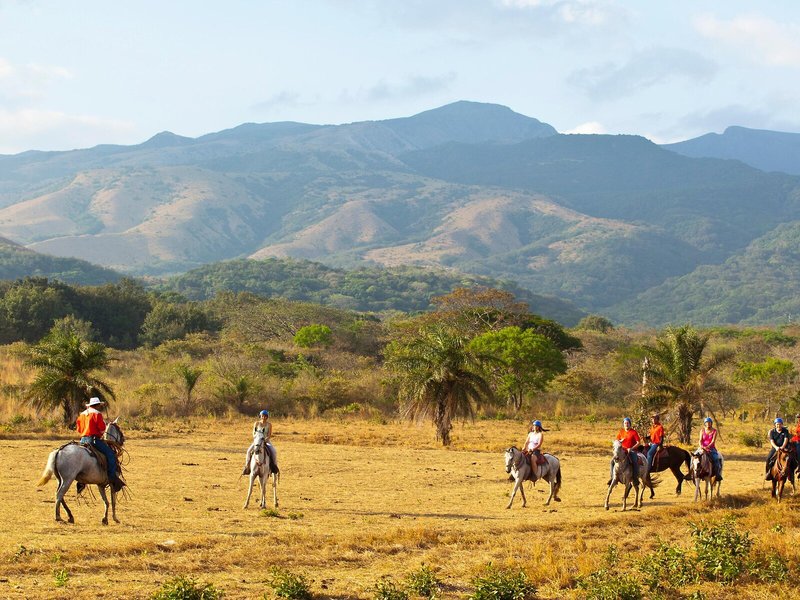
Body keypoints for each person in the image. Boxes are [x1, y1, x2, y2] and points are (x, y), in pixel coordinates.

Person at [76, 397, 125, 492]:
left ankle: (81, 481)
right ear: (97, 405)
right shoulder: (97, 414)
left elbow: (78, 429)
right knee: (111, 455)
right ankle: (111, 478)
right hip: (93, 440)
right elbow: (102, 429)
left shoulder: (82, 414)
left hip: (82, 440)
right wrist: (100, 433)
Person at [242, 409, 278, 475]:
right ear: (260, 416)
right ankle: (247, 467)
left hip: (266, 441)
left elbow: (269, 435)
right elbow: (253, 432)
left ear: (267, 417)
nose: (264, 417)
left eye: (265, 416)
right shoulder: (256, 423)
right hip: (257, 441)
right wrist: (256, 437)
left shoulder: (269, 424)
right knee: (248, 451)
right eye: (262, 416)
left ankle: (274, 467)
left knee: (274, 451)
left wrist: (265, 440)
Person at [611, 417, 640, 484]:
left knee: (634, 462)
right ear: (623, 424)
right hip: (622, 451)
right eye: (625, 423)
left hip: (631, 451)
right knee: (612, 462)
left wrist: (631, 448)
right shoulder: (621, 432)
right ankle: (612, 478)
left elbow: (638, 443)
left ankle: (635, 479)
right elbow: (617, 441)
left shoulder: (633, 432)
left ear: (630, 424)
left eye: (628, 423)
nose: (626, 424)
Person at [698, 416, 722, 481]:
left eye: (709, 422)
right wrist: (701, 446)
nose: (708, 424)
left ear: (711, 423)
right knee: (694, 457)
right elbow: (700, 440)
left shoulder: (714, 431)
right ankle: (691, 473)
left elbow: (713, 441)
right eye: (707, 422)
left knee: (716, 458)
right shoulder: (702, 430)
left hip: (711, 448)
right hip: (702, 447)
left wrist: (707, 447)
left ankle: (717, 474)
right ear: (705, 423)